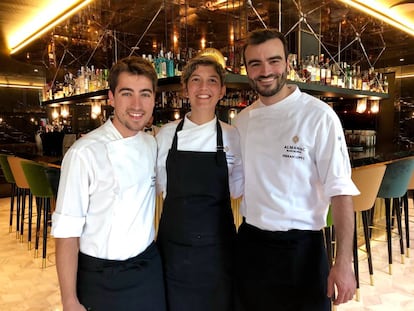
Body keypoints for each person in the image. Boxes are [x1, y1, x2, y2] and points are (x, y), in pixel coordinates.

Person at [233, 28, 360, 311]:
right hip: (252, 245)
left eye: (273, 61)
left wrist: (343, 263)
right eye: (255, 64)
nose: (265, 71)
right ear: (247, 70)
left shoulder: (318, 115)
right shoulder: (242, 120)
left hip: (303, 250)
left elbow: (340, 192)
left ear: (288, 63)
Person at [51, 56, 166, 311]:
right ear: (111, 98)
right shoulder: (84, 153)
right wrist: (69, 299)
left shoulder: (151, 144)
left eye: (145, 94)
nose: (137, 104)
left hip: (147, 269)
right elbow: (67, 233)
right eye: (127, 93)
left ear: (154, 99)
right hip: (102, 277)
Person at [156, 55, 243, 311]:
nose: (203, 88)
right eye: (196, 80)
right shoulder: (166, 135)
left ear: (222, 91)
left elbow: (237, 188)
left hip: (218, 252)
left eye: (212, 81)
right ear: (185, 89)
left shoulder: (232, 135)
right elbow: (162, 187)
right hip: (175, 250)